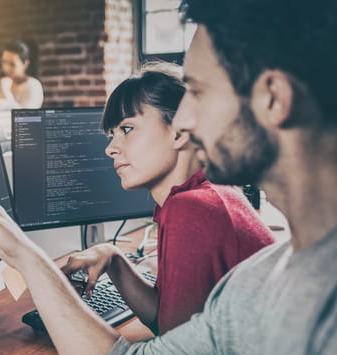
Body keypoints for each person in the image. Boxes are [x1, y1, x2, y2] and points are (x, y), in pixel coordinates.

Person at [0, 0, 337, 355]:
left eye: (198, 92)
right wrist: (114, 259)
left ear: (273, 98)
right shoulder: (265, 276)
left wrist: (28, 257)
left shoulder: (204, 215)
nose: (183, 121)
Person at [60, 64, 274, 336]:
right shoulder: (204, 192)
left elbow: (172, 349)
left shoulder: (194, 209)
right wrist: (114, 259)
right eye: (111, 134)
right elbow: (164, 320)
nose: (110, 148)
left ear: (180, 132)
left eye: (127, 129)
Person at [0, 39, 43, 111]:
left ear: (25, 64)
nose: (7, 68)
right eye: (4, 62)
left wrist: (5, 89)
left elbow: (24, 117)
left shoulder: (33, 85)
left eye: (12, 64)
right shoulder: (1, 83)